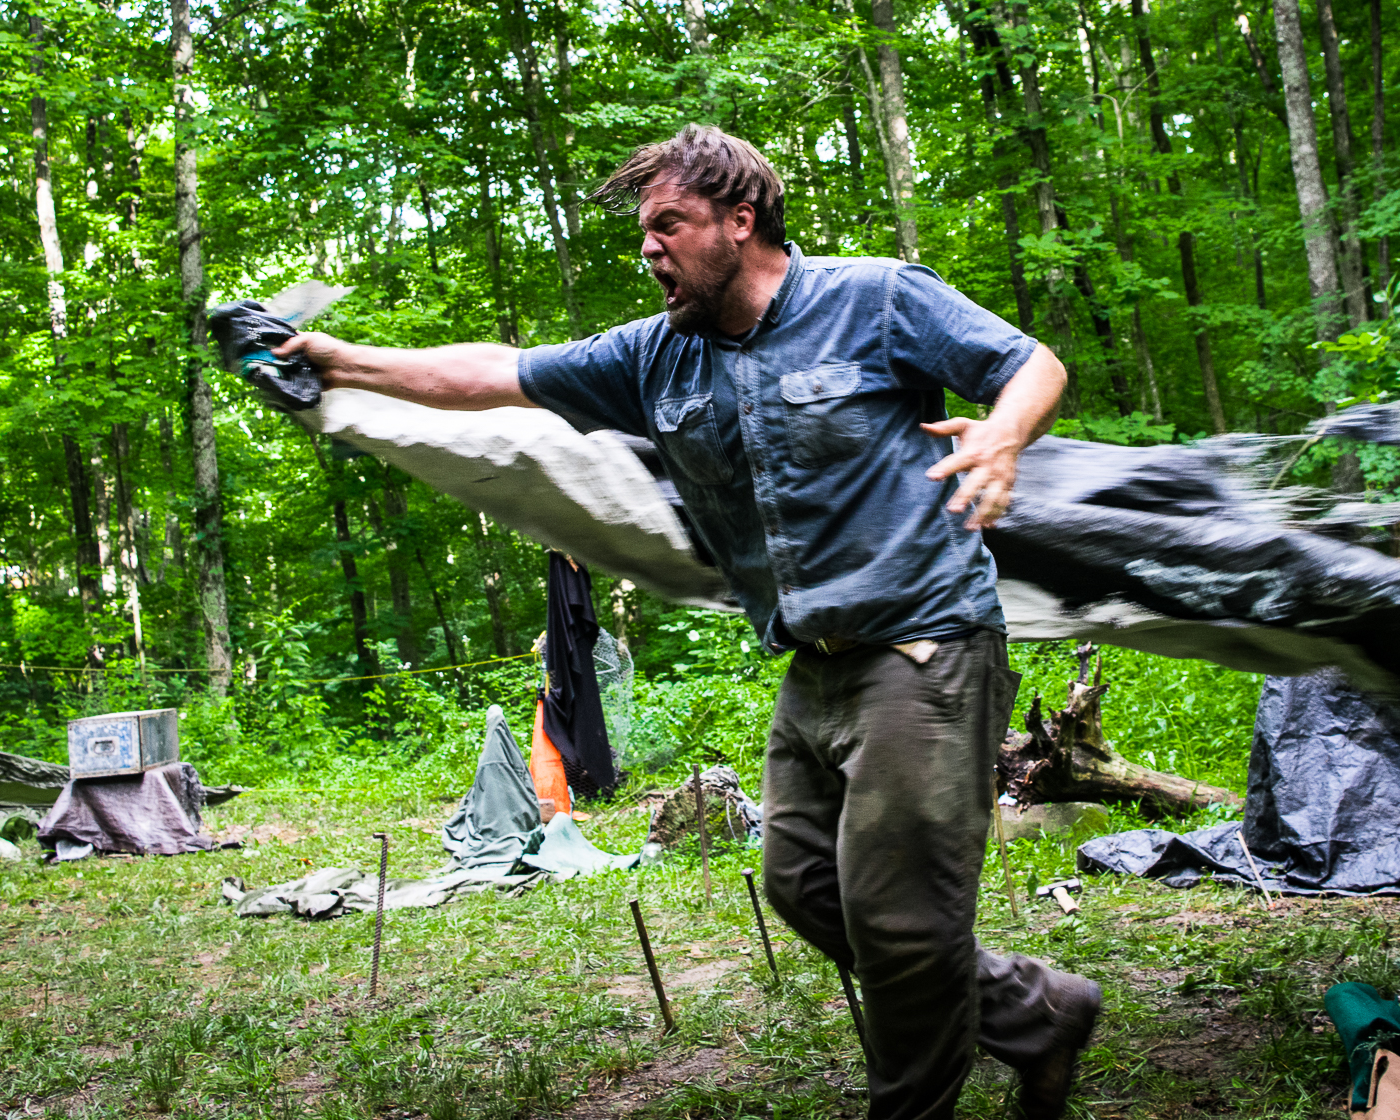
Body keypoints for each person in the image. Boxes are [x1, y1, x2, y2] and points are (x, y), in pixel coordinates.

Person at [276, 124, 1102, 1120]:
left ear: (739, 219)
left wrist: (1003, 435)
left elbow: (1032, 363)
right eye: (644, 232)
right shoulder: (652, 358)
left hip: (926, 644)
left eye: (669, 223)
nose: (649, 248)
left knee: (900, 922)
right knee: (801, 885)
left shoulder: (875, 297)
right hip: (815, 665)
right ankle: (1034, 1010)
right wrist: (342, 361)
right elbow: (491, 373)